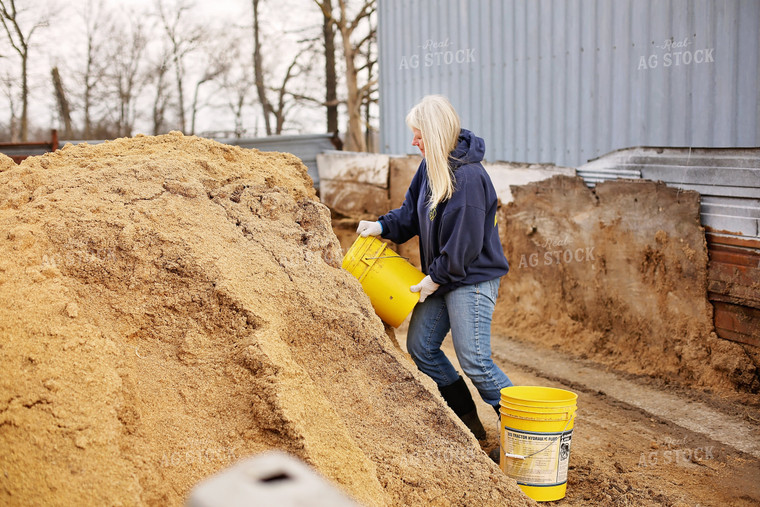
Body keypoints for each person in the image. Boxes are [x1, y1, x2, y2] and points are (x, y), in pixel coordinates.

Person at [356, 95, 513, 441]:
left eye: (418, 134)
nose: (413, 141)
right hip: (444, 277)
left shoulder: (469, 178)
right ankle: (471, 431)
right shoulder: (430, 167)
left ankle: (526, 433)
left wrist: (434, 278)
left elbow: (465, 245)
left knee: (475, 361)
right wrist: (381, 226)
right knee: (422, 348)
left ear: (437, 133)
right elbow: (411, 214)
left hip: (471, 278)